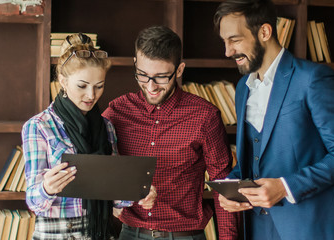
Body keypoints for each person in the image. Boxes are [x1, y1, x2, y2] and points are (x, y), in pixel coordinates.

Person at [213, 0, 334, 239]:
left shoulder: (312, 78)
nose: (228, 52)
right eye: (224, 42)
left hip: (313, 228)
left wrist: (285, 187)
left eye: (234, 40)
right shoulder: (242, 88)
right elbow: (252, 160)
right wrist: (231, 188)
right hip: (257, 228)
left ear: (264, 31)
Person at [102, 26, 238, 240]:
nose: (151, 86)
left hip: (185, 235)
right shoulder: (117, 111)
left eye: (161, 77)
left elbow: (223, 184)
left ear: (180, 70)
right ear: (135, 64)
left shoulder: (205, 116)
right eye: (143, 75)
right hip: (130, 233)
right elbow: (97, 166)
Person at [22, 33, 156, 240]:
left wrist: (138, 193)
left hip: (100, 233)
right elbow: (33, 202)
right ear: (63, 81)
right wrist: (46, 188)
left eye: (99, 86)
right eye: (82, 86)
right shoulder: (39, 126)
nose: (91, 95)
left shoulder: (106, 127)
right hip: (56, 234)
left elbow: (112, 194)